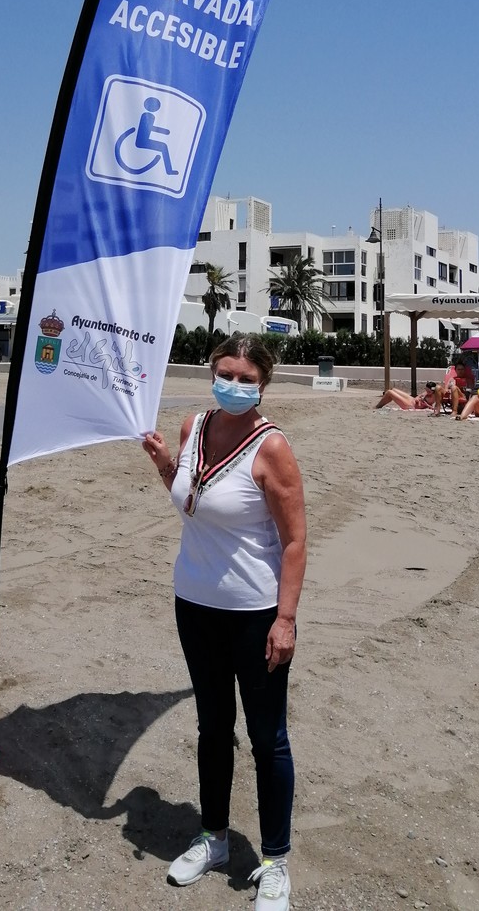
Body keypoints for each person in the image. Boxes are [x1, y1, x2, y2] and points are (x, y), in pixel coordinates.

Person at [141, 335, 305, 909]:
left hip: (254, 614)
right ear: (211, 373)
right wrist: (167, 467)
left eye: (245, 376)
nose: (233, 383)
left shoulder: (272, 447)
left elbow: (294, 542)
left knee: (267, 739)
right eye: (224, 372)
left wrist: (285, 619)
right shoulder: (193, 428)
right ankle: (213, 837)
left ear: (263, 383)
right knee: (213, 728)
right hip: (194, 604)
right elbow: (192, 501)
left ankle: (275, 862)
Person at [373, 383, 442, 413]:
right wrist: (418, 398)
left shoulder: (435, 396)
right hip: (412, 400)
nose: (427, 392)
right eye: (426, 390)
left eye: (428, 391)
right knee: (393, 389)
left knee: (389, 392)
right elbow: (418, 397)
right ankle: (385, 401)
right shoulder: (427, 392)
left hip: (411, 405)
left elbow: (433, 407)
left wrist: (424, 403)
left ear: (433, 390)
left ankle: (378, 406)